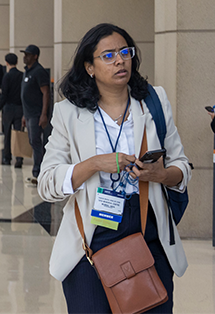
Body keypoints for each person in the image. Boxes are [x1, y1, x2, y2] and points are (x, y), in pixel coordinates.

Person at [37, 23, 190, 313]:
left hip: (147, 229)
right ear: (89, 67)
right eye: (108, 55)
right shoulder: (69, 113)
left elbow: (182, 167)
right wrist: (94, 164)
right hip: (93, 237)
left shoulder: (154, 103)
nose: (120, 60)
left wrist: (161, 175)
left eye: (124, 52)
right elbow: (47, 183)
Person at [21, 44, 51, 185]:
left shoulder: (39, 71)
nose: (25, 57)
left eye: (27, 55)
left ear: (35, 56)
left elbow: (46, 93)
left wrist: (44, 114)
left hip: (36, 114)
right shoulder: (27, 71)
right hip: (28, 114)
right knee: (33, 142)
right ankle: (37, 171)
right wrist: (23, 115)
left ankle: (39, 172)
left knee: (37, 143)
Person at [0, 52, 24, 167]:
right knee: (19, 133)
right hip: (19, 107)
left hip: (8, 108)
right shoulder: (22, 75)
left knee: (7, 134)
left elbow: (4, 95)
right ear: (17, 62)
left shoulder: (6, 77)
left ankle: (7, 158)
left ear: (6, 63)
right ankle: (19, 158)